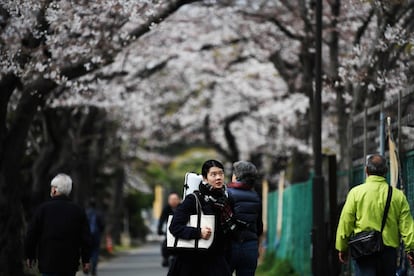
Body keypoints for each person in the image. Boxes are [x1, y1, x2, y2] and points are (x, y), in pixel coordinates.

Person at [335, 154, 414, 275]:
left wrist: (342, 247)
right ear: (386, 171)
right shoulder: (398, 196)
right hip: (388, 253)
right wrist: (411, 250)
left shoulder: (356, 193)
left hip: (363, 251)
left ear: (366, 170)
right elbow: (407, 227)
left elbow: (346, 222)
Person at [167, 159, 232, 276]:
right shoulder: (193, 199)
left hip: (217, 258)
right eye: (213, 174)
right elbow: (174, 227)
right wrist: (198, 232)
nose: (218, 177)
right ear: (205, 178)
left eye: (221, 173)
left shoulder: (225, 199)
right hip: (193, 261)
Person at [25, 173, 92, 276]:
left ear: (55, 190)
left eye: (52, 187)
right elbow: (85, 238)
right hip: (69, 263)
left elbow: (32, 234)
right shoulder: (78, 211)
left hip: (48, 262)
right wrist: (86, 260)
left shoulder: (43, 209)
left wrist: (30, 255)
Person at [226, 161, 263, 276]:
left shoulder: (227, 193)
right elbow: (259, 227)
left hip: (230, 246)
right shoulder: (256, 196)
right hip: (250, 247)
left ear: (236, 176)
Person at [157, 192, 181, 267]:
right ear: (169, 200)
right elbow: (161, 220)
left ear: (179, 200)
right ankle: (165, 258)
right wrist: (159, 230)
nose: (173, 201)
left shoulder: (182, 207)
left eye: (175, 199)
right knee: (164, 244)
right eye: (172, 199)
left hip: (181, 229)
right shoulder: (166, 208)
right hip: (169, 230)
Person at [86, 197, 105, 276]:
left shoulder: (86, 213)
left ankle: (87, 266)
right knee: (95, 251)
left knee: (87, 252)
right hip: (96, 235)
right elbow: (102, 225)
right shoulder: (98, 213)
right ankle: (93, 266)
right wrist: (100, 232)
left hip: (87, 236)